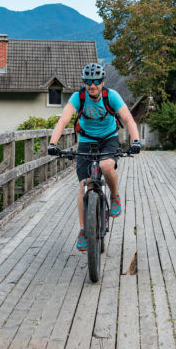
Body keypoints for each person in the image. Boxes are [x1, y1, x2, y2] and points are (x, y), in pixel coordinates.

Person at [47, 63, 141, 251]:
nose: (93, 85)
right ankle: (83, 230)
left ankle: (114, 196)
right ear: (84, 83)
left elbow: (128, 119)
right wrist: (52, 143)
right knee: (84, 186)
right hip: (86, 141)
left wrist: (136, 141)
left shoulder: (111, 96)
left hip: (108, 139)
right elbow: (63, 120)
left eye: (97, 81)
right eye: (88, 81)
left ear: (102, 82)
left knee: (106, 166)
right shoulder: (78, 97)